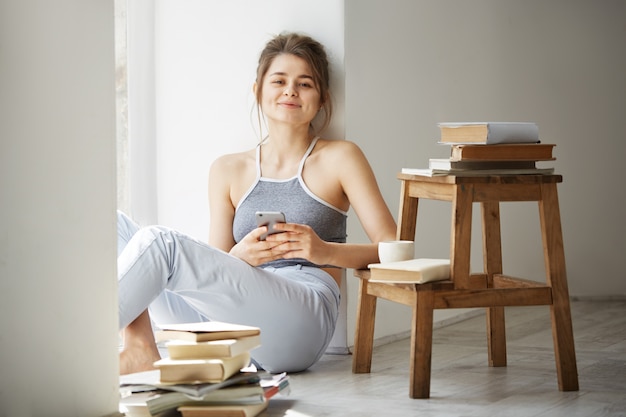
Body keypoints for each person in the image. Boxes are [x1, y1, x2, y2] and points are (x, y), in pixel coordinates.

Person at [118, 32, 397, 375]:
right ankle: (139, 346)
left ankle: (71, 349)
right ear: (258, 90)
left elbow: (393, 247)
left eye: (305, 83)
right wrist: (240, 257)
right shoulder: (227, 169)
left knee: (161, 242)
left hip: (301, 317)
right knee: (113, 223)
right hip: (231, 322)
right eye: (279, 80)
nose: (290, 90)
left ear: (322, 98)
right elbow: (216, 265)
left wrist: (324, 251)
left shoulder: (341, 157)